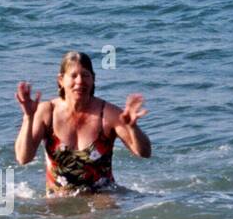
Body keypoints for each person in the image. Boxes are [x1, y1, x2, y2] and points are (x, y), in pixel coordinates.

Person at [14, 51, 150, 195]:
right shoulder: (48, 112)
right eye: (73, 76)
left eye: (85, 75)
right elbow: (23, 158)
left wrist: (133, 127)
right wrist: (28, 118)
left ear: (93, 80)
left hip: (102, 198)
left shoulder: (108, 114)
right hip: (59, 199)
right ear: (61, 80)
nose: (80, 81)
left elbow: (144, 153)